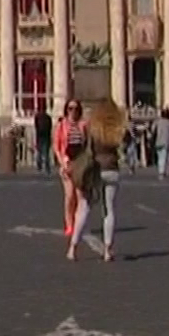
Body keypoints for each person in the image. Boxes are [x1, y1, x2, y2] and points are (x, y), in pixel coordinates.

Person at [66, 104, 120, 263]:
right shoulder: (115, 130)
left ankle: (73, 247)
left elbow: (86, 147)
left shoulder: (92, 128)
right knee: (109, 210)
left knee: (84, 207)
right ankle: (108, 250)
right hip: (112, 169)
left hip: (95, 170)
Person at [56, 99, 89, 236]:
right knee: (69, 196)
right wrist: (62, 163)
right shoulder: (61, 126)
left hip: (80, 162)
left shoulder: (84, 125)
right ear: (66, 110)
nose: (73, 111)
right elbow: (57, 147)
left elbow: (87, 144)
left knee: (79, 196)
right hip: (67, 162)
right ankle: (69, 223)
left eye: (75, 108)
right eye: (70, 108)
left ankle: (77, 222)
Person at [33, 102, 54, 175]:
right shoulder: (48, 117)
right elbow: (50, 127)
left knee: (39, 152)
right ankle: (47, 168)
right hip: (46, 136)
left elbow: (36, 127)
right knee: (46, 153)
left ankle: (39, 167)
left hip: (39, 136)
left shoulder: (37, 117)